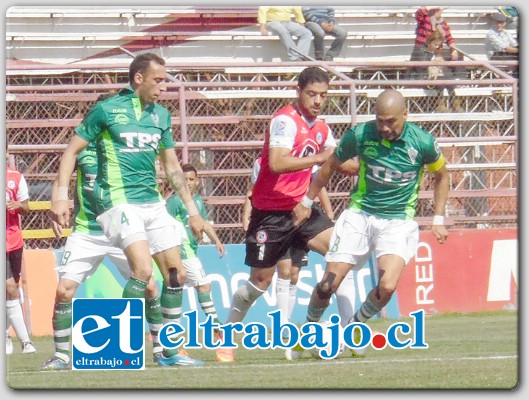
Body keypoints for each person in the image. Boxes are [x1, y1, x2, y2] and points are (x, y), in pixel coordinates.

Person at [49, 53, 206, 368]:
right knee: (143, 272)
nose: (164, 87)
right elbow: (70, 152)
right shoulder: (107, 110)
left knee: (176, 275)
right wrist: (60, 196)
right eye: (158, 80)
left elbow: (172, 167)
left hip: (151, 202)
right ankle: (118, 346)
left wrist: (192, 210)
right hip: (117, 202)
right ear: (139, 78)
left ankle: (169, 353)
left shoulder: (161, 115)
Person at [290, 89, 449, 359]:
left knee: (387, 286)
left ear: (405, 116)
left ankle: (354, 327)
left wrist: (438, 218)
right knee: (328, 285)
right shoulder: (361, 135)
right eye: (380, 121)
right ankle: (308, 329)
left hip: (398, 220)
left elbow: (442, 176)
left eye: (390, 121)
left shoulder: (423, 143)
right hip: (360, 215)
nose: (384, 127)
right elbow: (330, 165)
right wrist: (307, 201)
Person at [222, 66, 358, 362]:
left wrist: (369, 163)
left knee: (342, 254)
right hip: (270, 213)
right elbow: (277, 163)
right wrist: (321, 157)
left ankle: (349, 336)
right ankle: (227, 334)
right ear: (298, 92)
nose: (318, 101)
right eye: (312, 94)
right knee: (259, 283)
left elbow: (341, 163)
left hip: (301, 210)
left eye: (323, 95)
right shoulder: (284, 121)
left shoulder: (321, 127)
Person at [40, 135, 165, 369]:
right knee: (63, 290)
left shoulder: (126, 149)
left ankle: (160, 350)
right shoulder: (81, 148)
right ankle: (61, 356)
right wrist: (58, 201)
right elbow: (62, 176)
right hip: (87, 230)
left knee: (149, 285)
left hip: (121, 227)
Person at [164, 163, 231, 362]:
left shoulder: (197, 202)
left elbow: (201, 222)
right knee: (202, 286)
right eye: (184, 179)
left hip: (191, 251)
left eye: (191, 179)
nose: (188, 183)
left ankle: (173, 341)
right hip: (182, 253)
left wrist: (216, 239)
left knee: (173, 293)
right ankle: (217, 329)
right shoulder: (175, 202)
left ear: (197, 181)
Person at [5, 163, 36, 355]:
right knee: (9, 288)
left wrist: (18, 205)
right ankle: (26, 342)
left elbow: (26, 207)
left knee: (12, 291)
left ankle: (7, 335)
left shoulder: (15, 177)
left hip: (13, 241)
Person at [407, 30, 463, 113]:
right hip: (423, 78)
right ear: (429, 42)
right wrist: (432, 62)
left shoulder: (436, 52)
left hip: (435, 77)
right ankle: (441, 105)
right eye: (435, 44)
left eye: (439, 45)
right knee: (442, 79)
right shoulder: (420, 50)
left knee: (448, 80)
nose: (437, 47)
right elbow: (419, 68)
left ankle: (455, 104)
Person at [409, 7, 466, 80]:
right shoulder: (424, 20)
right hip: (422, 50)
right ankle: (419, 82)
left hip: (435, 51)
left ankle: (457, 81)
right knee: (420, 65)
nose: (436, 12)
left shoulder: (444, 24)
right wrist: (431, 7)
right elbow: (419, 13)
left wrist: (454, 50)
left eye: (438, 10)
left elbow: (449, 39)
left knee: (457, 56)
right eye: (435, 10)